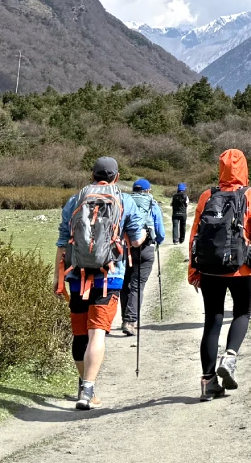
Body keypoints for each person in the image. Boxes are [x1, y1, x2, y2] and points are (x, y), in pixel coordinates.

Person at [55, 156, 146, 411]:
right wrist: (145, 234)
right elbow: (136, 241)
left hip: (76, 276)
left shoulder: (76, 199)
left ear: (92, 175)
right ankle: (88, 389)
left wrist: (57, 278)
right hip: (110, 276)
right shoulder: (124, 200)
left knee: (80, 334)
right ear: (117, 177)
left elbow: (63, 242)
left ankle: (84, 386)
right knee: (97, 333)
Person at [188, 149, 251, 401]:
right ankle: (229, 357)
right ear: (244, 169)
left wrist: (194, 271)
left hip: (209, 269)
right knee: (242, 313)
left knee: (212, 321)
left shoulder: (207, 196)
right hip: (241, 268)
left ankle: (208, 383)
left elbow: (195, 236)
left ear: (221, 169)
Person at [120, 178, 165, 336]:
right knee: (137, 285)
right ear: (147, 190)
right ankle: (130, 321)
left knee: (125, 284)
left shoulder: (124, 201)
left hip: (126, 247)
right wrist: (158, 240)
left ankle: (124, 318)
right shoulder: (152, 203)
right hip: (146, 248)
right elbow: (160, 231)